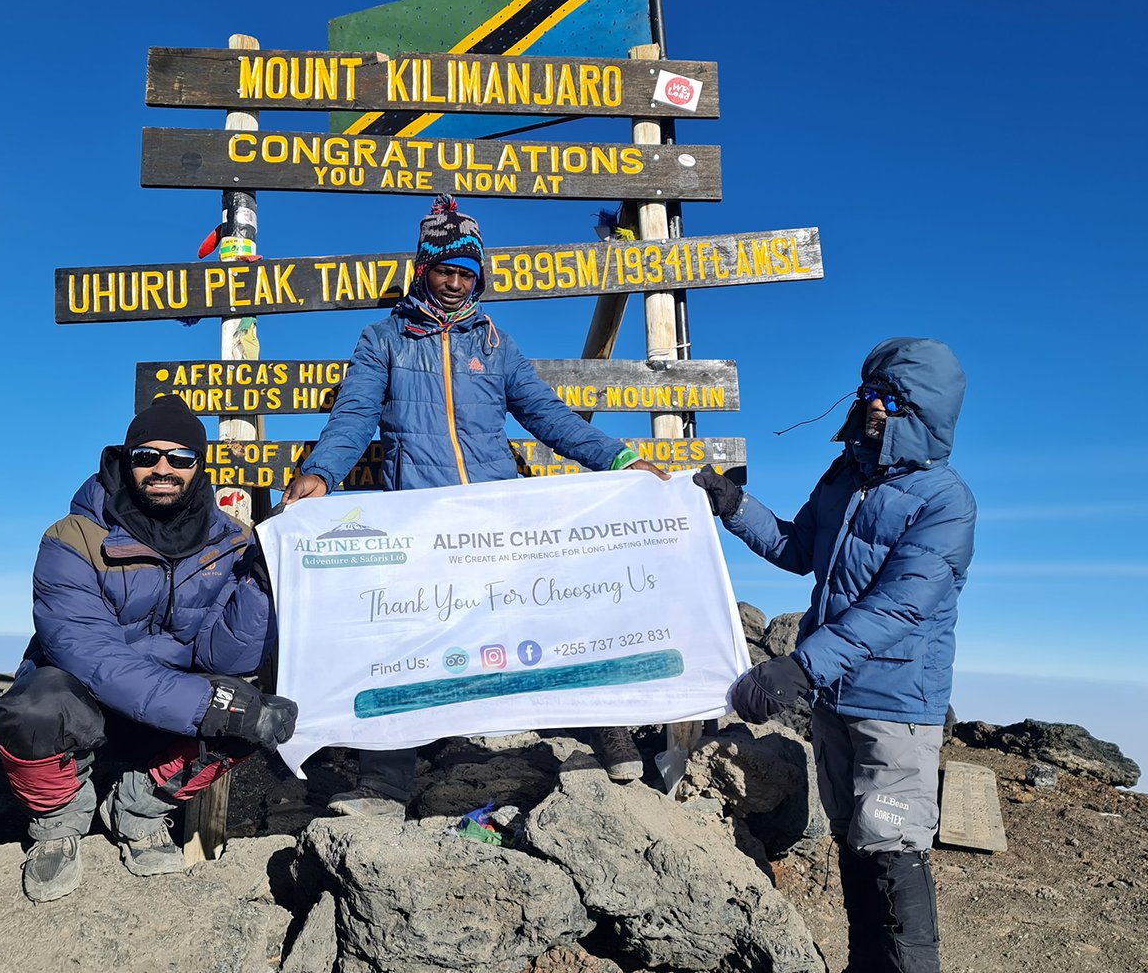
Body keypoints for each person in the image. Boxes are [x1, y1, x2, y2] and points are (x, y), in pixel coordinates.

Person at [283, 194, 666, 815]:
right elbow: (353, 416)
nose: (456, 283)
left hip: (494, 517)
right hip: (419, 519)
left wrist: (618, 460)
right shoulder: (384, 339)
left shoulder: (495, 342)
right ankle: (385, 784)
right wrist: (321, 474)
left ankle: (608, 734)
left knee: (554, 613)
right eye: (444, 270)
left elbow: (546, 415)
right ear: (423, 270)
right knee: (405, 642)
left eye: (467, 273)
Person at [694, 337, 974, 973]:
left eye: (888, 397)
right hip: (834, 702)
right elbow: (798, 550)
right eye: (869, 393)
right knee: (851, 841)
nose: (870, 405)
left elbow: (902, 606)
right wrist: (734, 506)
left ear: (920, 410)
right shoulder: (845, 477)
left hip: (896, 706)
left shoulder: (944, 500)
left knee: (892, 848)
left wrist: (795, 668)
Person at [0, 395, 297, 903]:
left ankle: (138, 810)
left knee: (252, 712)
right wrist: (208, 706)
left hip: (164, 703)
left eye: (180, 458)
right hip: (85, 697)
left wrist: (261, 585)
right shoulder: (73, 539)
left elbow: (228, 659)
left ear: (198, 468)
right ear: (123, 459)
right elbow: (91, 655)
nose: (162, 468)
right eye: (146, 456)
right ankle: (57, 825)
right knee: (32, 709)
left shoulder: (231, 541)